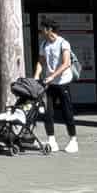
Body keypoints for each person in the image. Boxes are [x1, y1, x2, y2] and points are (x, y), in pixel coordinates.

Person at [34, 19, 79, 154]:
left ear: (49, 29)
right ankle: (51, 140)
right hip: (50, 84)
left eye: (43, 29)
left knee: (67, 112)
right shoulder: (44, 44)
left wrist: (53, 76)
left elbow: (66, 63)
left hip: (62, 82)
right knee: (48, 112)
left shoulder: (63, 43)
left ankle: (73, 140)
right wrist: (37, 75)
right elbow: (41, 62)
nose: (41, 31)